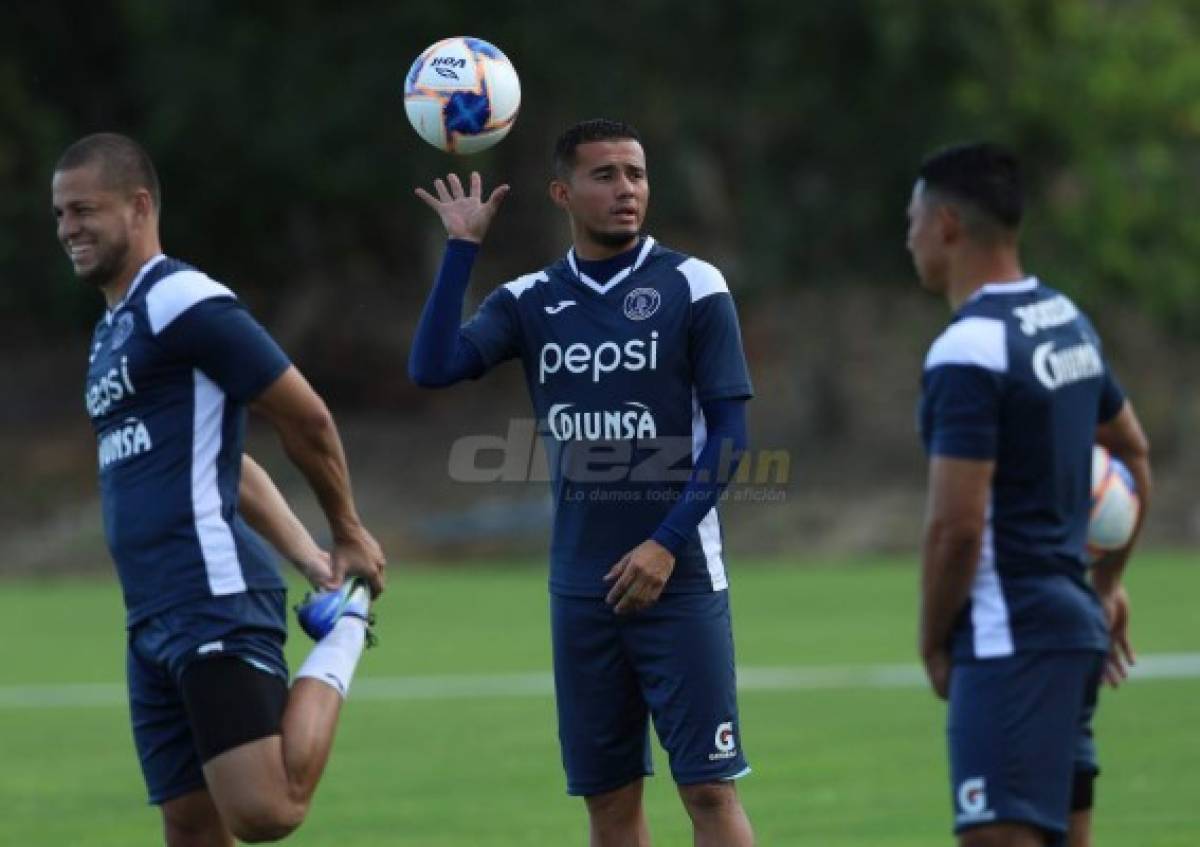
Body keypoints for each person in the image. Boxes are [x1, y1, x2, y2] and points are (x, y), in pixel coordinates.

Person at [409, 119, 756, 846]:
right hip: (582, 588)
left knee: (709, 790)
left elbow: (731, 438)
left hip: (682, 575)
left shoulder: (693, 285)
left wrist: (663, 544)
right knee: (608, 801)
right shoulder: (530, 299)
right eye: (605, 175)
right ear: (563, 192)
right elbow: (433, 366)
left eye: (636, 173)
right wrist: (461, 249)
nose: (626, 189)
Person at [54, 132, 386, 845]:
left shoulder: (181, 298)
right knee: (193, 830)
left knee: (265, 809)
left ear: (139, 206)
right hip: (150, 614)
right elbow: (227, 463)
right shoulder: (112, 329)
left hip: (211, 593)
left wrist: (349, 532)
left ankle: (349, 627)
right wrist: (309, 558)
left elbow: (306, 415)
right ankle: (338, 597)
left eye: (84, 210)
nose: (68, 229)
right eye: (59, 214)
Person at [908, 142, 1151, 847]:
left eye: (912, 221)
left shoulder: (969, 349)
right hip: (1069, 626)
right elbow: (1133, 451)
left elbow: (956, 526)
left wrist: (931, 639)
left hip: (1008, 637)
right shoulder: (1064, 317)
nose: (909, 239)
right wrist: (1105, 583)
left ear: (947, 225)